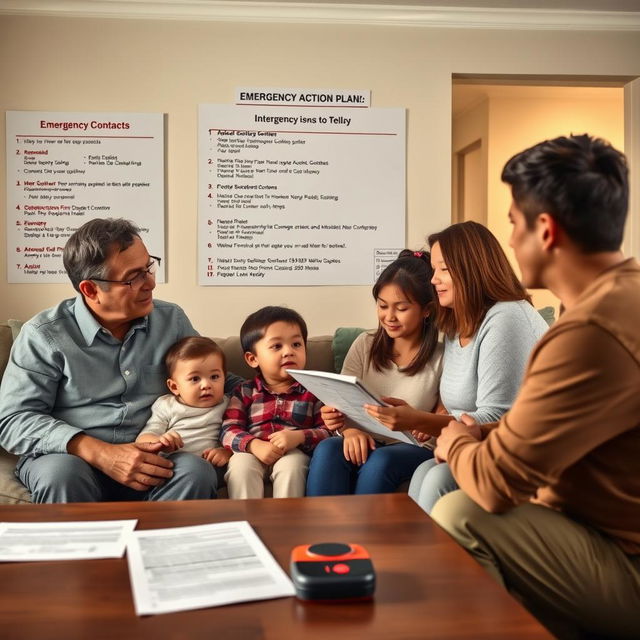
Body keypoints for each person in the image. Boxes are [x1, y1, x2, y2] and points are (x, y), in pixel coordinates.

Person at [430, 134, 640, 640]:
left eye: (513, 224)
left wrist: (456, 437)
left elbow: (497, 486)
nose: (511, 240)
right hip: (603, 532)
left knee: (460, 511)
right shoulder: (621, 296)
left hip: (625, 560)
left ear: (544, 230)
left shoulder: (590, 332)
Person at [0, 218, 241, 503]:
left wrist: (281, 389)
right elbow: (15, 420)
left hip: (154, 456)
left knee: (195, 470)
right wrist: (99, 452)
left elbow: (213, 376)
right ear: (90, 290)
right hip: (70, 459)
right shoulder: (44, 336)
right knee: (62, 475)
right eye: (133, 277)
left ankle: (161, 547)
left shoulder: (171, 320)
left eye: (149, 267)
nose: (151, 282)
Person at [364, 223, 548, 512]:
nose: (433, 280)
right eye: (434, 270)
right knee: (426, 472)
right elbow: (463, 412)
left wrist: (416, 420)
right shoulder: (456, 324)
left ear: (472, 270)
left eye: (443, 270)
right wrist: (420, 418)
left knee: (436, 477)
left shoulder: (507, 317)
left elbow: (496, 417)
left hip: (520, 451)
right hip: (476, 446)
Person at [306, 250, 443, 495]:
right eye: (382, 306)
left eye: (401, 308)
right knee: (328, 449)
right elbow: (341, 403)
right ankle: (322, 533)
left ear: (427, 310)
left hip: (414, 447)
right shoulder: (365, 344)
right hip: (364, 438)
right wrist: (347, 430)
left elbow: (445, 414)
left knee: (381, 461)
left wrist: (424, 421)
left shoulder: (443, 355)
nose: (389, 317)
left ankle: (365, 534)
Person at [221, 306, 331, 498]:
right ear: (253, 358)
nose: (288, 352)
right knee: (240, 466)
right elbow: (229, 429)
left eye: (296, 344)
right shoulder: (245, 391)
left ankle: (288, 525)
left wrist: (299, 437)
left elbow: (328, 431)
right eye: (276, 346)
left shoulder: (315, 391)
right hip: (252, 451)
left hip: (293, 451)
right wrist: (253, 445)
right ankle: (245, 521)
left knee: (293, 467)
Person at [135, 336, 231, 470]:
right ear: (174, 387)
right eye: (195, 379)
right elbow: (143, 440)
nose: (206, 385)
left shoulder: (229, 404)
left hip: (212, 467)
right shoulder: (167, 405)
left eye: (214, 377)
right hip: (175, 467)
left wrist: (227, 452)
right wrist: (161, 441)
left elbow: (239, 435)